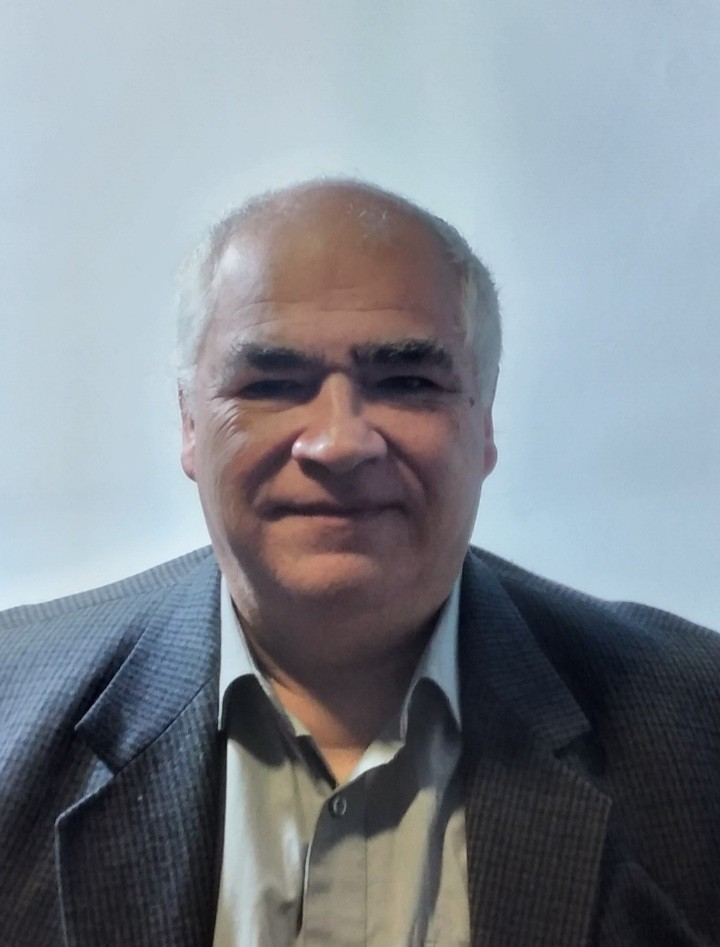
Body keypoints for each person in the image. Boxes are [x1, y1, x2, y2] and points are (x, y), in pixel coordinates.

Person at [1, 179, 719, 947]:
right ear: (189, 423)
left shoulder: (698, 724)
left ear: (484, 422)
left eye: (406, 382)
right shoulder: (11, 707)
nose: (339, 442)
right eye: (272, 384)